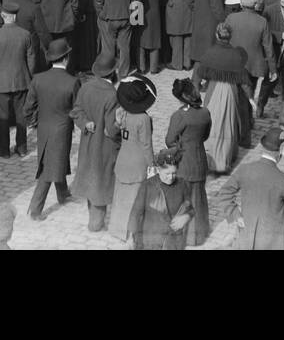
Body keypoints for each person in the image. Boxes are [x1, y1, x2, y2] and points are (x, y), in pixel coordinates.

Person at [214, 127, 284, 250]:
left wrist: (236, 214)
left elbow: (224, 193)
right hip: (273, 241)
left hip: (247, 236)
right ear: (281, 149)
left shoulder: (245, 170)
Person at [25, 38, 79, 221]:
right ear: (66, 58)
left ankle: (63, 194)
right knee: (50, 167)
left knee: (57, 160)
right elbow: (77, 109)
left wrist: (33, 121)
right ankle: (35, 209)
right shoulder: (73, 82)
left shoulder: (38, 79)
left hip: (43, 128)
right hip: (62, 129)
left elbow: (28, 107)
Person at [70, 53, 121, 232]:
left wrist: (85, 123)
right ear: (113, 73)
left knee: (91, 177)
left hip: (88, 142)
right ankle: (96, 223)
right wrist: (121, 124)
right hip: (105, 146)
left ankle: (93, 217)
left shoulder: (85, 88)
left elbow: (76, 111)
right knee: (102, 181)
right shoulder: (113, 95)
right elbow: (111, 129)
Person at [194, 22, 252, 174]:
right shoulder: (236, 55)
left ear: (216, 35)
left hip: (213, 91)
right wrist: (251, 98)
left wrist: (196, 91)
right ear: (230, 36)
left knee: (212, 123)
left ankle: (209, 159)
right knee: (228, 124)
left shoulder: (210, 52)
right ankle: (224, 159)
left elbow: (198, 74)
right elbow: (244, 81)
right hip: (230, 92)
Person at [109, 73, 157, 243]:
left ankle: (117, 230)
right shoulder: (143, 118)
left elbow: (111, 132)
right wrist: (152, 165)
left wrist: (117, 123)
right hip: (138, 163)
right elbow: (146, 145)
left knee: (120, 197)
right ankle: (130, 233)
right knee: (134, 200)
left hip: (123, 159)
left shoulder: (122, 113)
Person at [164, 78, 211, 246]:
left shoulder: (179, 116)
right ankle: (199, 234)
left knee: (183, 198)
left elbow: (169, 140)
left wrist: (180, 145)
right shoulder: (205, 112)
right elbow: (205, 135)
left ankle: (183, 235)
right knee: (198, 197)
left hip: (184, 161)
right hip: (200, 158)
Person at [0, 9, 35, 158]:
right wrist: (29, 77)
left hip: (0, 82)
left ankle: (5, 150)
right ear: (15, 16)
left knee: (3, 117)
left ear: (3, 16)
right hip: (21, 80)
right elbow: (31, 59)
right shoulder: (25, 34)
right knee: (21, 115)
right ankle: (22, 148)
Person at [129, 148, 193, 251]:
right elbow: (136, 212)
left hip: (173, 241)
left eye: (174, 173)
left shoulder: (182, 185)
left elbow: (190, 208)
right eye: (167, 173)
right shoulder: (147, 186)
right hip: (150, 241)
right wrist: (131, 237)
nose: (171, 177)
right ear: (158, 170)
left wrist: (186, 216)